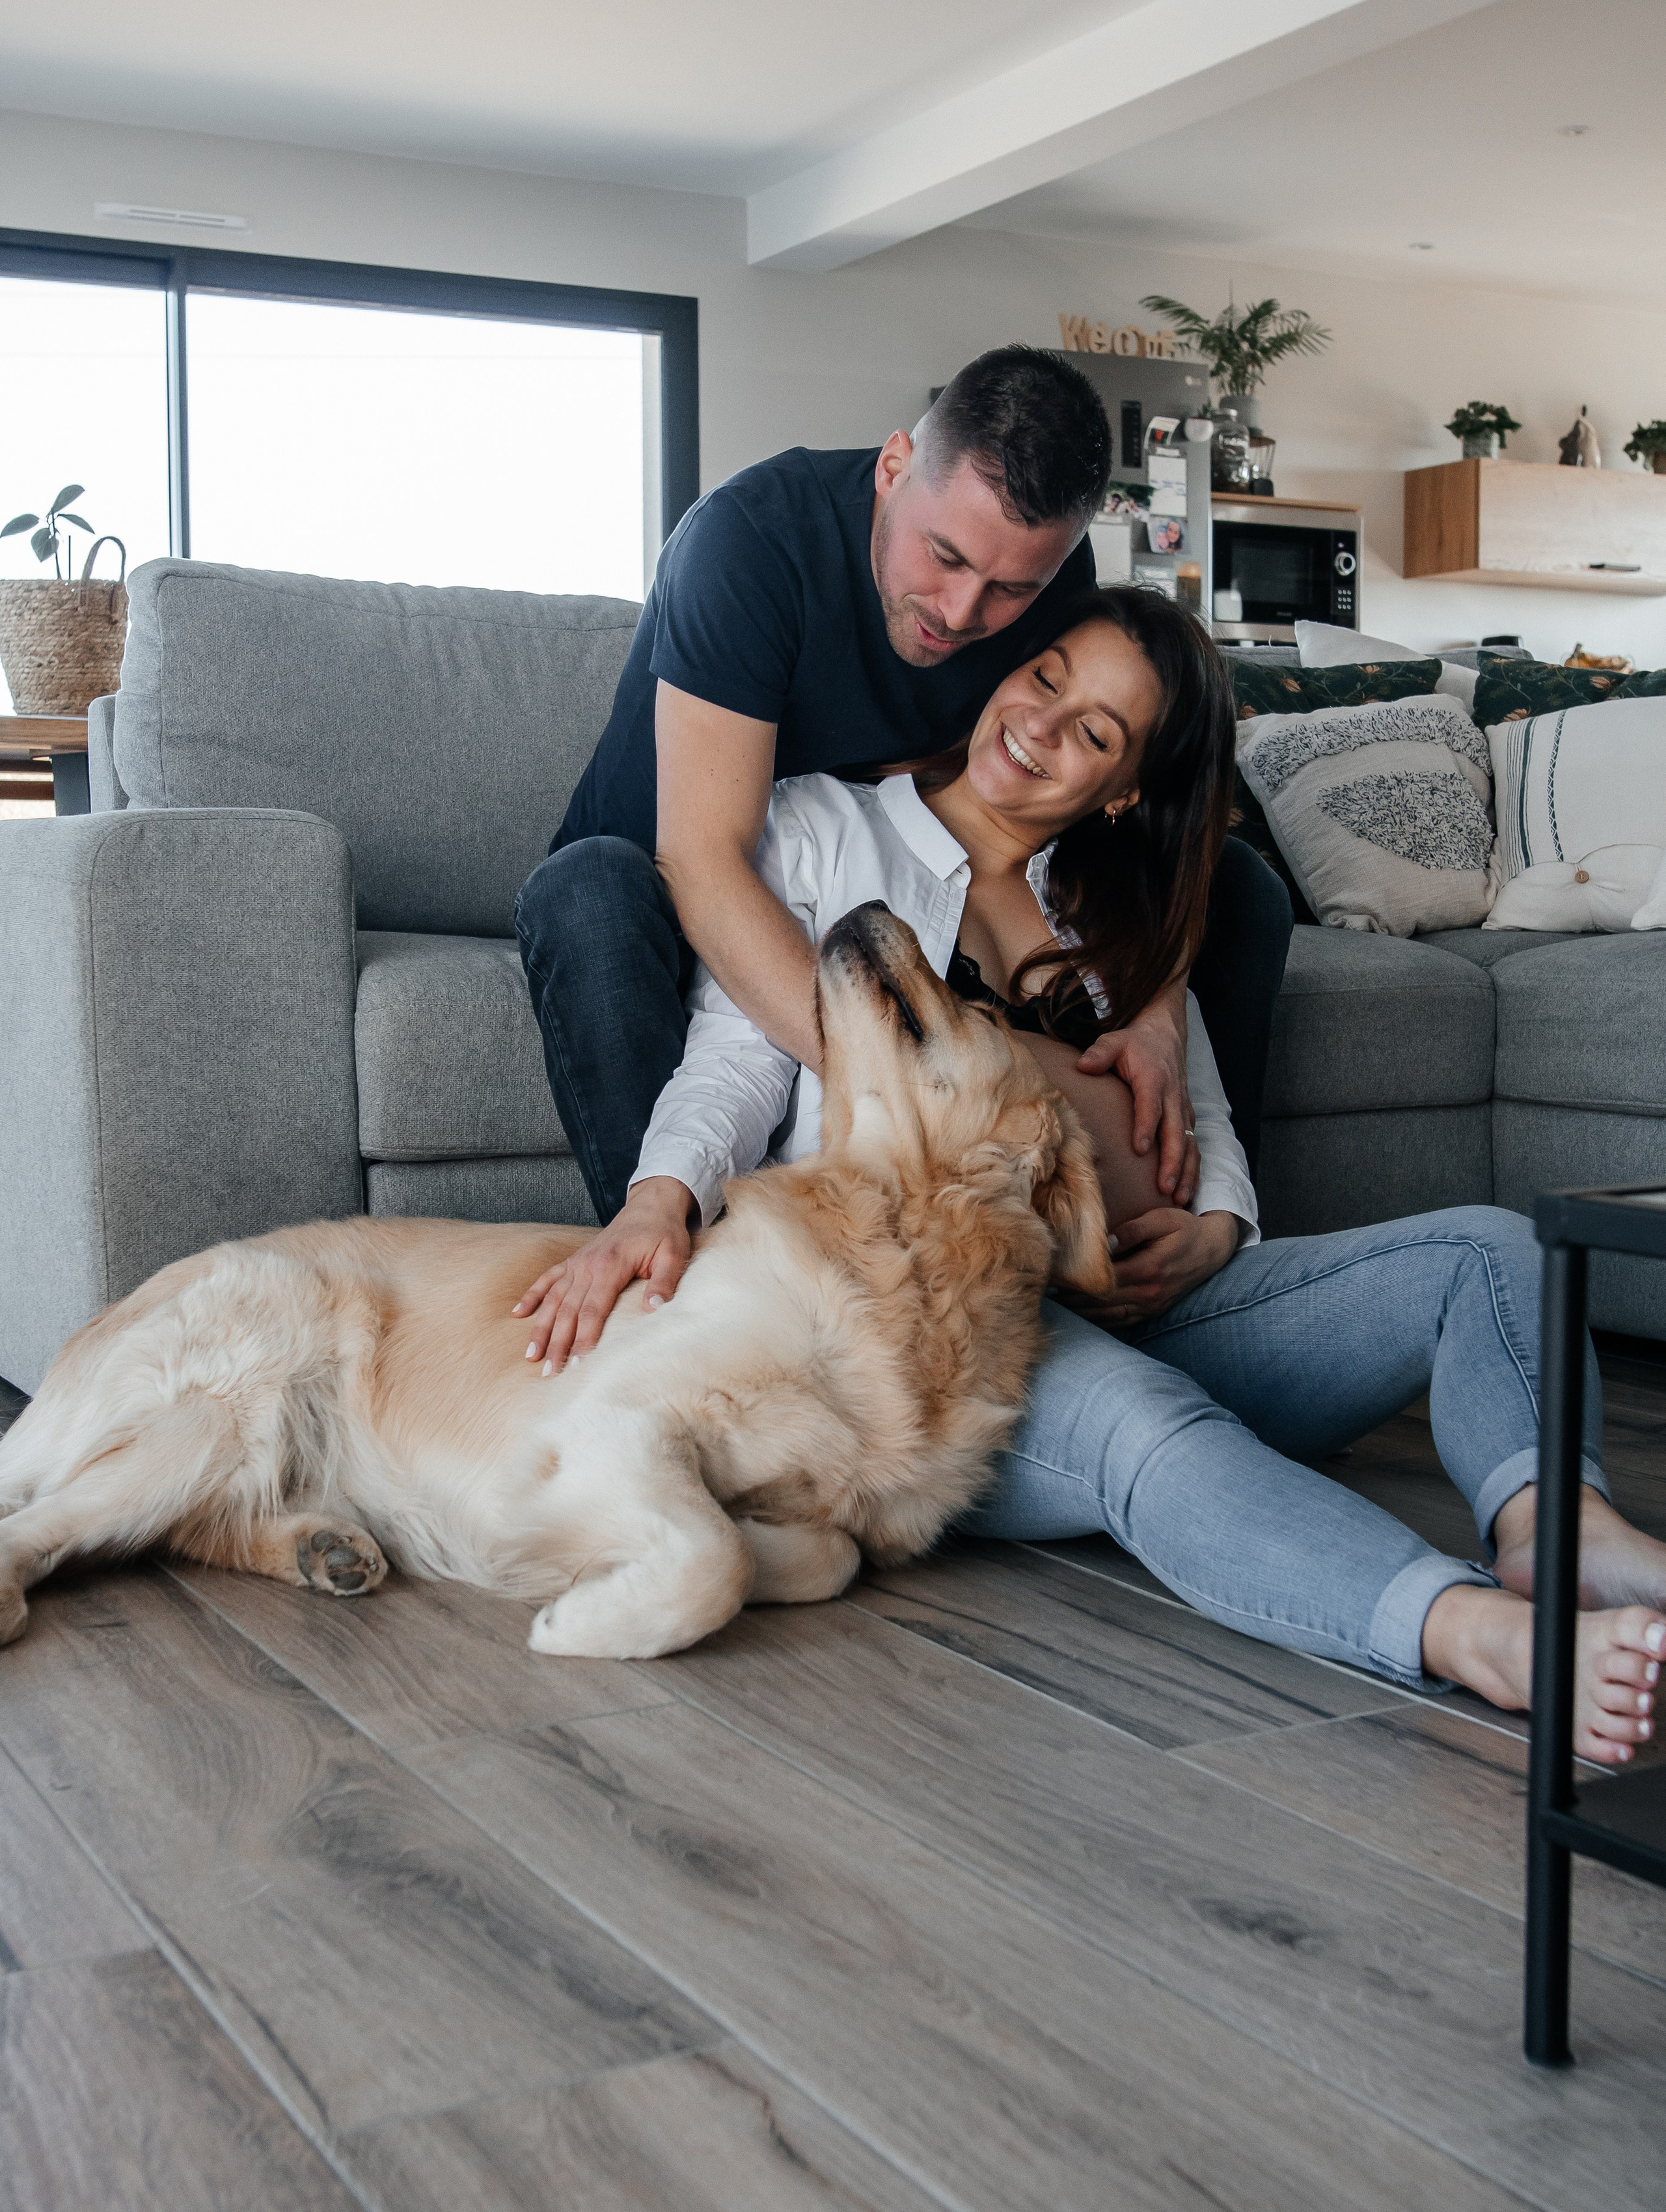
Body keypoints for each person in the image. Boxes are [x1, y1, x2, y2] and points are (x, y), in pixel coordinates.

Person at [513, 583, 1666, 1763]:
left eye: (1099, 734)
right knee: (1143, 1421)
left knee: (1494, 1246)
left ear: (1122, 789)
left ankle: (1554, 1529)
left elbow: (1200, 1117)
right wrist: (659, 1199)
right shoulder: (824, 831)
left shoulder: (1118, 907)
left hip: (1159, 1296)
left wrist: (1219, 1229)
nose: (1044, 725)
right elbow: (738, 1066)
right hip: (938, 1339)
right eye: (1051, 677)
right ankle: (1468, 1631)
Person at [516, 344, 1293, 1236]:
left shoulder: (1053, 590)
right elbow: (702, 860)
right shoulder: (748, 542)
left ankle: (1208, 1243)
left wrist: (1160, 1016)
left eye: (1010, 589)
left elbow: (1150, 831)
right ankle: (676, 1280)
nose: (962, 613)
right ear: (893, 468)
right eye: (945, 556)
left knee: (1242, 888)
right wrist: (911, 1098)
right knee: (584, 891)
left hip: (837, 882)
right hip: (669, 886)